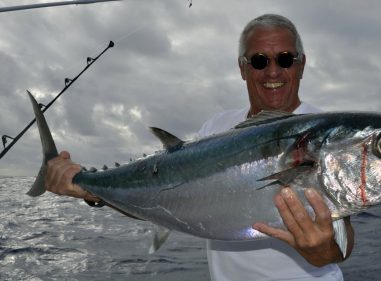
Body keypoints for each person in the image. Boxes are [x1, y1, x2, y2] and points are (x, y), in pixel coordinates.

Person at [45, 14, 354, 280]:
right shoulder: (218, 127)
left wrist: (323, 251)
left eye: (285, 59)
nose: (273, 72)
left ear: (301, 65)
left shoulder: (327, 134)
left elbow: (342, 241)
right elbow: (166, 202)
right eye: (259, 61)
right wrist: (89, 192)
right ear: (242, 68)